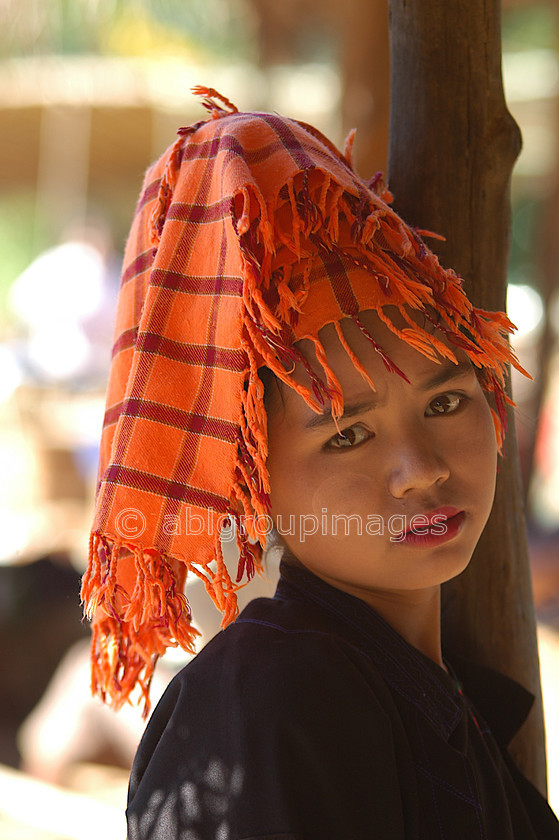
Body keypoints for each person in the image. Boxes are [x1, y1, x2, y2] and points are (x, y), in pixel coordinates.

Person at [81, 87, 559, 839]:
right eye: (345, 435)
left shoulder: (433, 699)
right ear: (257, 476)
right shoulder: (275, 698)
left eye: (443, 404)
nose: (419, 469)